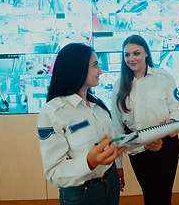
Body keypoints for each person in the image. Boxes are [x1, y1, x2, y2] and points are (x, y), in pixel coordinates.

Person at [37, 43, 126, 205]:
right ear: (76, 68)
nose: (100, 71)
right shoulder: (52, 112)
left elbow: (114, 139)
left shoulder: (97, 104)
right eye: (95, 65)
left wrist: (143, 143)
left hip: (110, 182)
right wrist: (90, 161)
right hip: (82, 194)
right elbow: (54, 173)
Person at [111, 34, 179, 205]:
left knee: (163, 196)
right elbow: (116, 127)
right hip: (136, 148)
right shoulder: (118, 86)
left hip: (165, 145)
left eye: (136, 53)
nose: (131, 58)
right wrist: (118, 164)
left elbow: (178, 109)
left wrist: (174, 123)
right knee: (149, 194)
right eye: (127, 55)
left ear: (146, 53)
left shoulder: (164, 78)